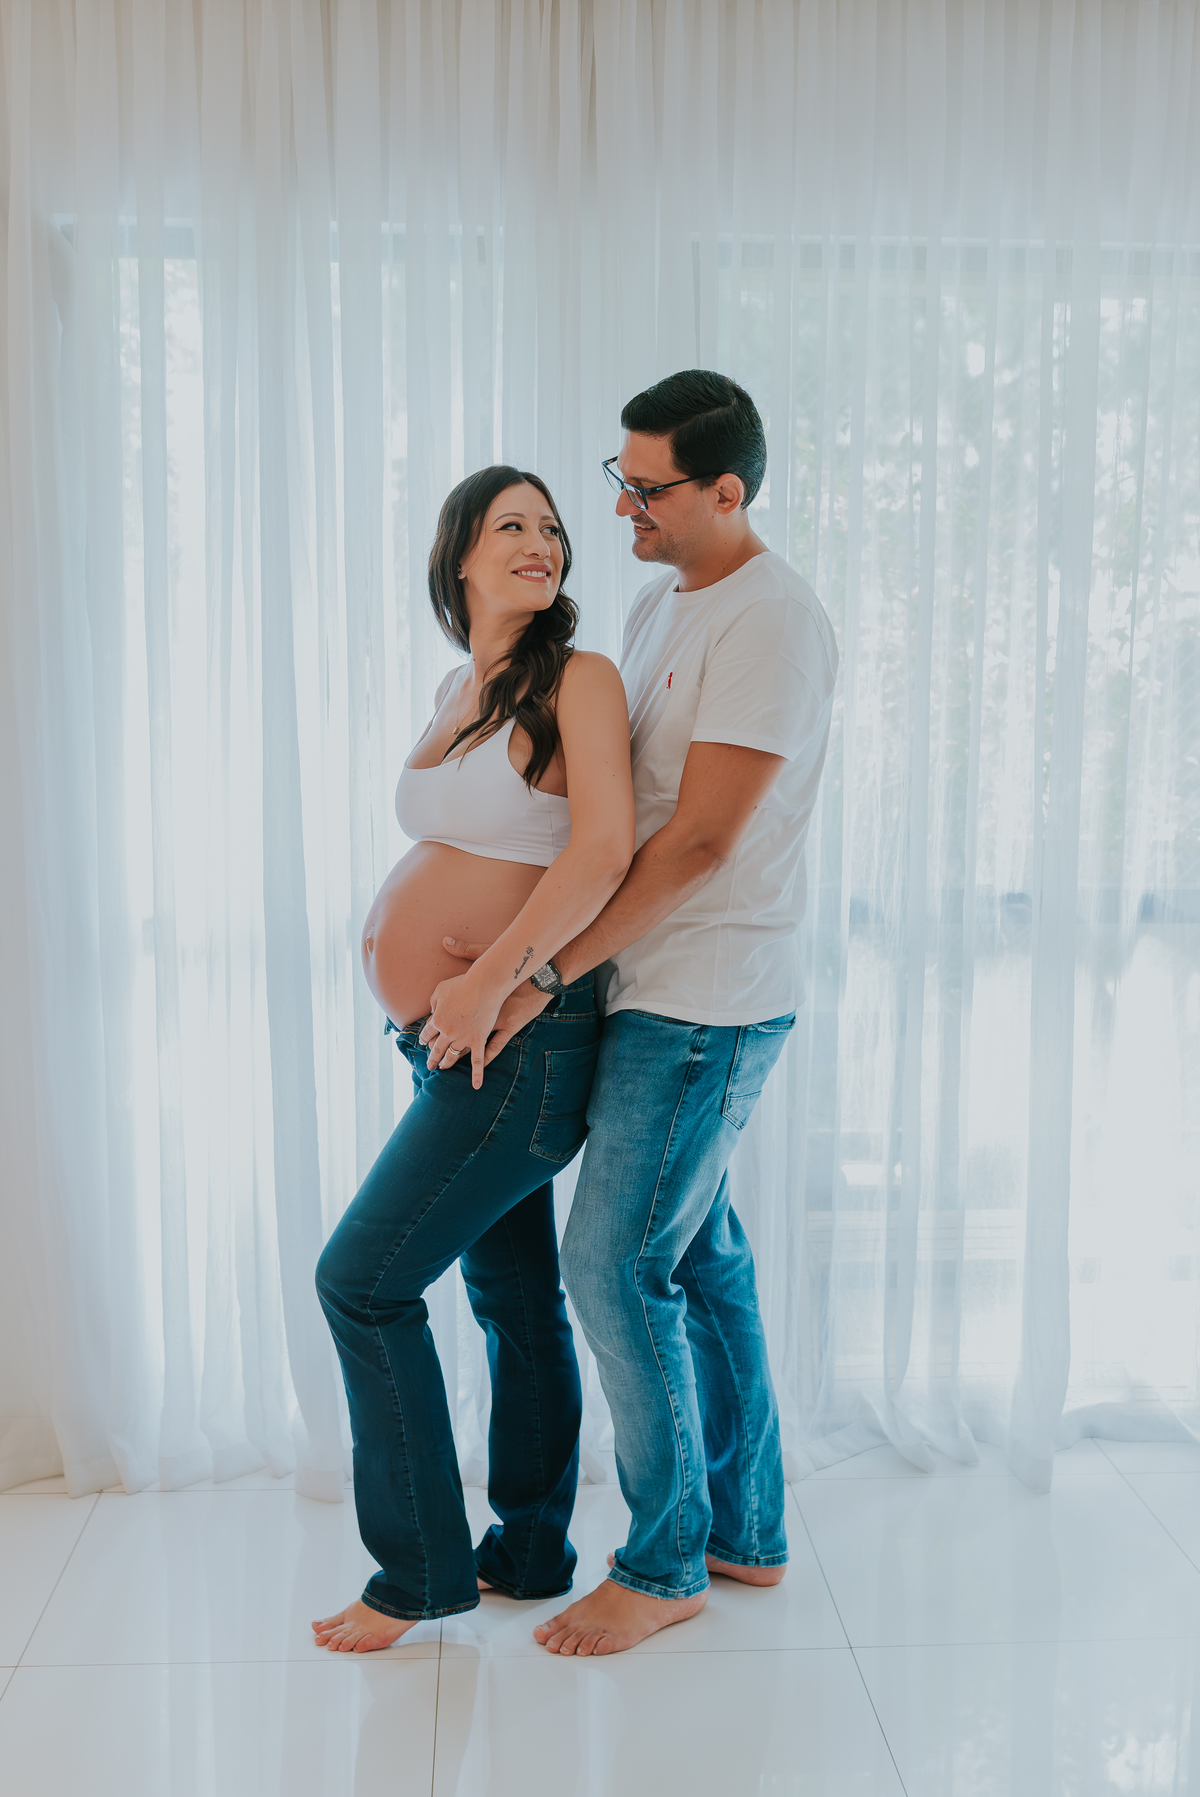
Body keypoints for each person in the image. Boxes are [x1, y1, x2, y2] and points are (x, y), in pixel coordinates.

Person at [433, 370, 838, 1655]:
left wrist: (537, 971)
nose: (619, 509)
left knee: (612, 1268)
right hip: (651, 990)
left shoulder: (771, 622)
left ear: (728, 490)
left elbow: (700, 843)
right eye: (617, 478)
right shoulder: (669, 601)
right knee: (702, 1263)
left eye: (645, 487)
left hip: (704, 1003)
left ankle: (663, 1565)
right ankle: (748, 1533)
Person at [312, 466, 633, 1653]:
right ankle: (531, 1548)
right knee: (509, 1297)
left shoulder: (580, 682)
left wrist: (491, 974)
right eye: (513, 527)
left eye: (551, 528)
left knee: (362, 1283)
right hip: (444, 1045)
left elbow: (600, 850)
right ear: (461, 557)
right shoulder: (462, 686)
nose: (541, 542)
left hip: (523, 1044)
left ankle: (418, 1575)